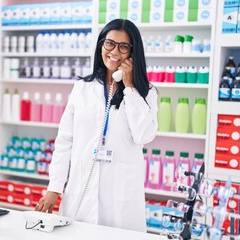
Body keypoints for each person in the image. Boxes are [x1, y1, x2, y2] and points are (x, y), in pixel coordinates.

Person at [35, 19, 158, 232]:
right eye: (109, 43)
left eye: (123, 46)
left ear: (133, 52)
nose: (114, 51)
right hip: (81, 189)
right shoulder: (82, 88)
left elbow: (144, 135)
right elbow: (65, 141)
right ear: (101, 45)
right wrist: (54, 188)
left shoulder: (147, 93)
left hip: (121, 196)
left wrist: (129, 88)